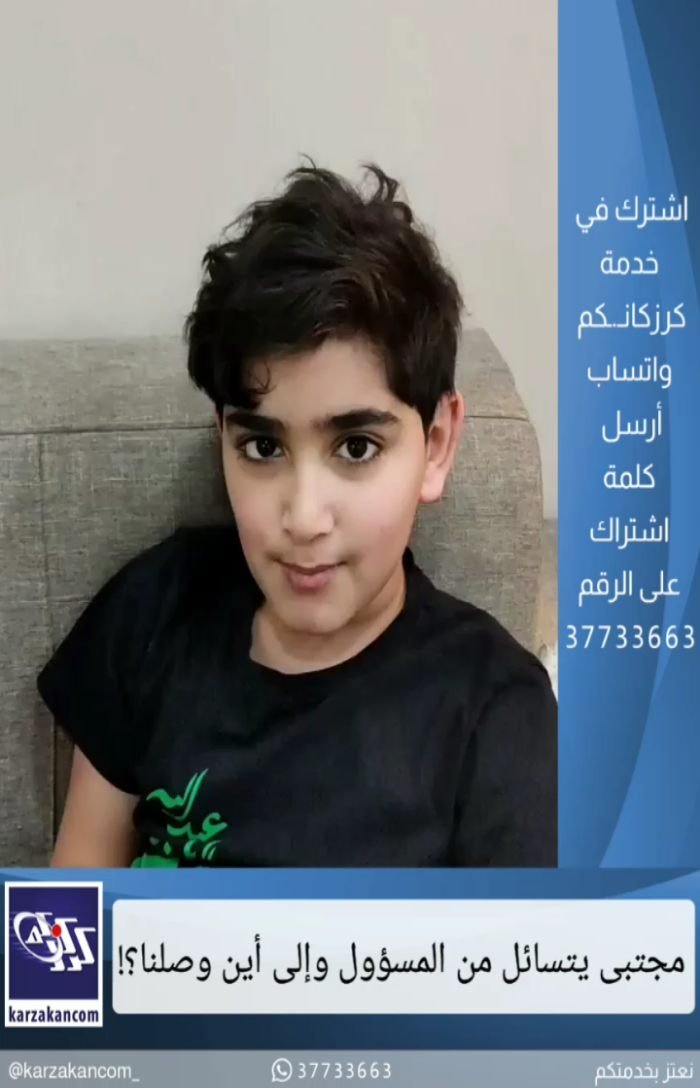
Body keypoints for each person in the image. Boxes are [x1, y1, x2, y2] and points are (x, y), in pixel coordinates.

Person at [37, 161, 557, 868]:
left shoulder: (495, 713)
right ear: (223, 438)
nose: (305, 518)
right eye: (262, 446)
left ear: (435, 446)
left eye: (356, 447)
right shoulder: (155, 614)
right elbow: (68, 907)